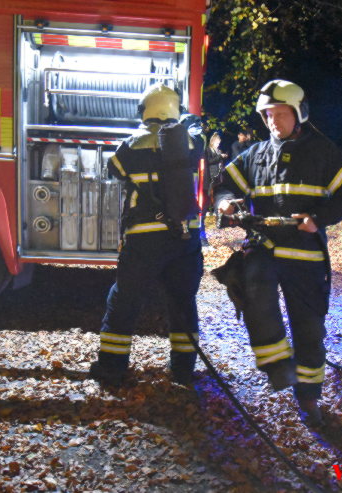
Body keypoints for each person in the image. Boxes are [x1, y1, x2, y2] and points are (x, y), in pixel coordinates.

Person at [214, 79, 342, 426]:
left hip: (305, 255)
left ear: (299, 114)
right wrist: (226, 204)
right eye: (267, 115)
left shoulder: (324, 153)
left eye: (280, 114)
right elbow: (225, 184)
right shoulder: (256, 154)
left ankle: (309, 399)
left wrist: (319, 219)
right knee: (253, 291)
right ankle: (279, 368)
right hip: (264, 246)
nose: (272, 122)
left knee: (309, 329)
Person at [89, 83, 204, 386]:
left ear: (146, 110)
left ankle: (111, 368)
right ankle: (183, 369)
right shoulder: (192, 144)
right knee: (183, 302)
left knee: (124, 301)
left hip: (144, 239)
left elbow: (113, 169)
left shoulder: (130, 146)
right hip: (185, 237)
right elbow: (201, 140)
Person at [205, 132, 228, 212]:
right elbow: (209, 161)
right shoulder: (208, 150)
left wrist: (223, 157)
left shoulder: (218, 150)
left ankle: (216, 207)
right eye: (217, 143)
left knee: (217, 192)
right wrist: (219, 156)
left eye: (219, 143)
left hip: (219, 174)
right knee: (211, 192)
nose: (218, 144)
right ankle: (210, 208)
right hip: (212, 175)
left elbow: (219, 160)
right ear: (212, 142)